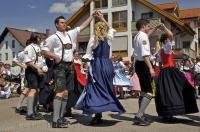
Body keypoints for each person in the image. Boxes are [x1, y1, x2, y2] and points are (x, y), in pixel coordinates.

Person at [41, 13, 96, 128]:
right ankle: (55, 120)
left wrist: (92, 16)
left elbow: (83, 26)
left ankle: (61, 117)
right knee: (60, 92)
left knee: (66, 93)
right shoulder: (53, 37)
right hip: (59, 66)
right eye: (61, 22)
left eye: (65, 22)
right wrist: (55, 56)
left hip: (70, 66)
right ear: (56, 25)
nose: (64, 24)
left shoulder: (70, 34)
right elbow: (44, 50)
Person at [75, 11, 125, 125]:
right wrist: (102, 18)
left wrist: (86, 62)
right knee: (106, 88)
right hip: (107, 65)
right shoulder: (109, 38)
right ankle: (101, 112)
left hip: (97, 64)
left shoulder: (93, 39)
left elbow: (87, 55)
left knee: (96, 88)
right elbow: (112, 29)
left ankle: (97, 114)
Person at [155, 24, 199, 122]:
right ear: (167, 40)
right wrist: (164, 28)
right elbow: (170, 35)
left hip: (164, 73)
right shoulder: (167, 47)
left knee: (166, 93)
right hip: (170, 72)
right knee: (178, 90)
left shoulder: (161, 51)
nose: (171, 41)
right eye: (170, 40)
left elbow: (160, 63)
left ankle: (166, 113)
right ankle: (170, 113)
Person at [132, 19, 157, 126]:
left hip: (139, 64)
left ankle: (141, 115)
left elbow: (147, 35)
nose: (149, 28)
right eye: (148, 26)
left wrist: (155, 29)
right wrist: (150, 68)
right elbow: (145, 54)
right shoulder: (143, 37)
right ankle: (139, 115)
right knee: (149, 92)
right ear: (143, 26)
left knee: (143, 91)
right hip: (144, 64)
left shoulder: (137, 35)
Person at [23, 33, 47, 120]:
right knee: (32, 90)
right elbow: (28, 62)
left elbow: (41, 60)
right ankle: (29, 113)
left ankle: (34, 110)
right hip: (32, 71)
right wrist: (37, 69)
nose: (41, 39)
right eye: (39, 38)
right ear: (35, 38)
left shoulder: (38, 47)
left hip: (39, 71)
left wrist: (43, 68)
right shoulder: (29, 47)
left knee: (37, 91)